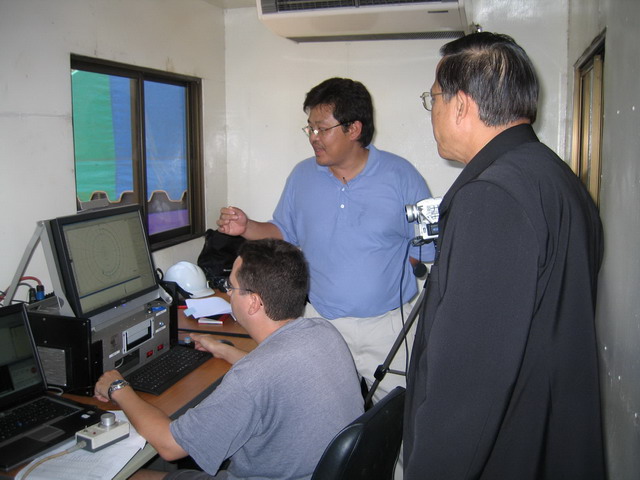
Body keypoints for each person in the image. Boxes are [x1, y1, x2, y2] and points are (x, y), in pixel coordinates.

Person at [404, 32, 605, 479]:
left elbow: (467, 384)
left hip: (504, 453)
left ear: (460, 105)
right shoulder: (555, 176)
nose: (432, 111)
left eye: (433, 98)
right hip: (546, 438)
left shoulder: (492, 197)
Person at [217, 77, 435, 404]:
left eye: (322, 129)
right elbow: (283, 231)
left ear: (354, 129)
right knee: (317, 411)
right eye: (310, 128)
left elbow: (427, 247)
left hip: (388, 328)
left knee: (402, 417)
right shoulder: (302, 176)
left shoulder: (403, 176)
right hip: (320, 323)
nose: (313, 138)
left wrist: (382, 279)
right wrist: (247, 227)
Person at [94, 239, 363, 480]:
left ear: (253, 302)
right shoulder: (323, 332)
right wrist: (223, 350)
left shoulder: (252, 378)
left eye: (230, 287)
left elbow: (169, 446)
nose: (228, 293)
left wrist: (118, 387)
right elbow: (278, 375)